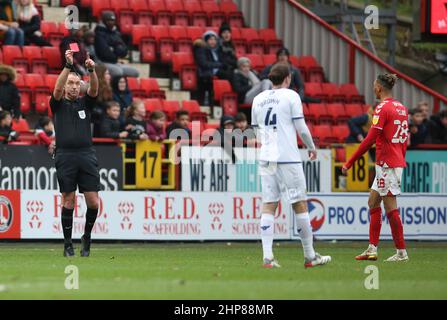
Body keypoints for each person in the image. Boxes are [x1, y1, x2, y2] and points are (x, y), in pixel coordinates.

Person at [251, 63, 331, 268]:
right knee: (299, 203)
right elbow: (301, 128)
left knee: (269, 204)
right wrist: (311, 146)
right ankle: (310, 255)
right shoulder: (291, 96)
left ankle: (267, 257)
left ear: (271, 79)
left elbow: (256, 132)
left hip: (266, 157)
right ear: (287, 78)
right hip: (287, 156)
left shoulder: (258, 99)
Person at [342, 74, 409, 262]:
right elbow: (404, 139)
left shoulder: (382, 109)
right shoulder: (402, 108)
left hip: (388, 163)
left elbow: (370, 139)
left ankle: (401, 252)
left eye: (374, 85)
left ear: (379, 88)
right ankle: (372, 249)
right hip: (390, 163)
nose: (373, 87)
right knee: (373, 202)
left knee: (390, 207)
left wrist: (350, 162)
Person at [50, 49, 99, 257]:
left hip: (86, 154)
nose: (72, 86)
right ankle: (68, 243)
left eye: (76, 83)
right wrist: (68, 66)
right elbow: (57, 87)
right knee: (68, 199)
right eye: (70, 83)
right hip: (65, 155)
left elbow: (95, 90)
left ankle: (86, 236)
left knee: (93, 202)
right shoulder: (58, 103)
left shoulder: (84, 102)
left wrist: (92, 71)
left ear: (80, 86)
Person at [94, 11, 139, 78]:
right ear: (103, 21)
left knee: (134, 72)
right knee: (118, 72)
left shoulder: (116, 33)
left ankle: (124, 87)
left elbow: (124, 51)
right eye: (109, 20)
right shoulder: (98, 33)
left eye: (113, 20)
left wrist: (114, 48)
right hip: (101, 62)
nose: (111, 22)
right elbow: (105, 53)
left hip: (114, 63)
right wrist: (117, 49)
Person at [193, 30, 225, 105]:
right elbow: (203, 63)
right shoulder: (201, 49)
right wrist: (219, 65)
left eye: (214, 39)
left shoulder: (217, 50)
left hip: (216, 72)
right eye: (210, 39)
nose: (213, 41)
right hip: (205, 73)